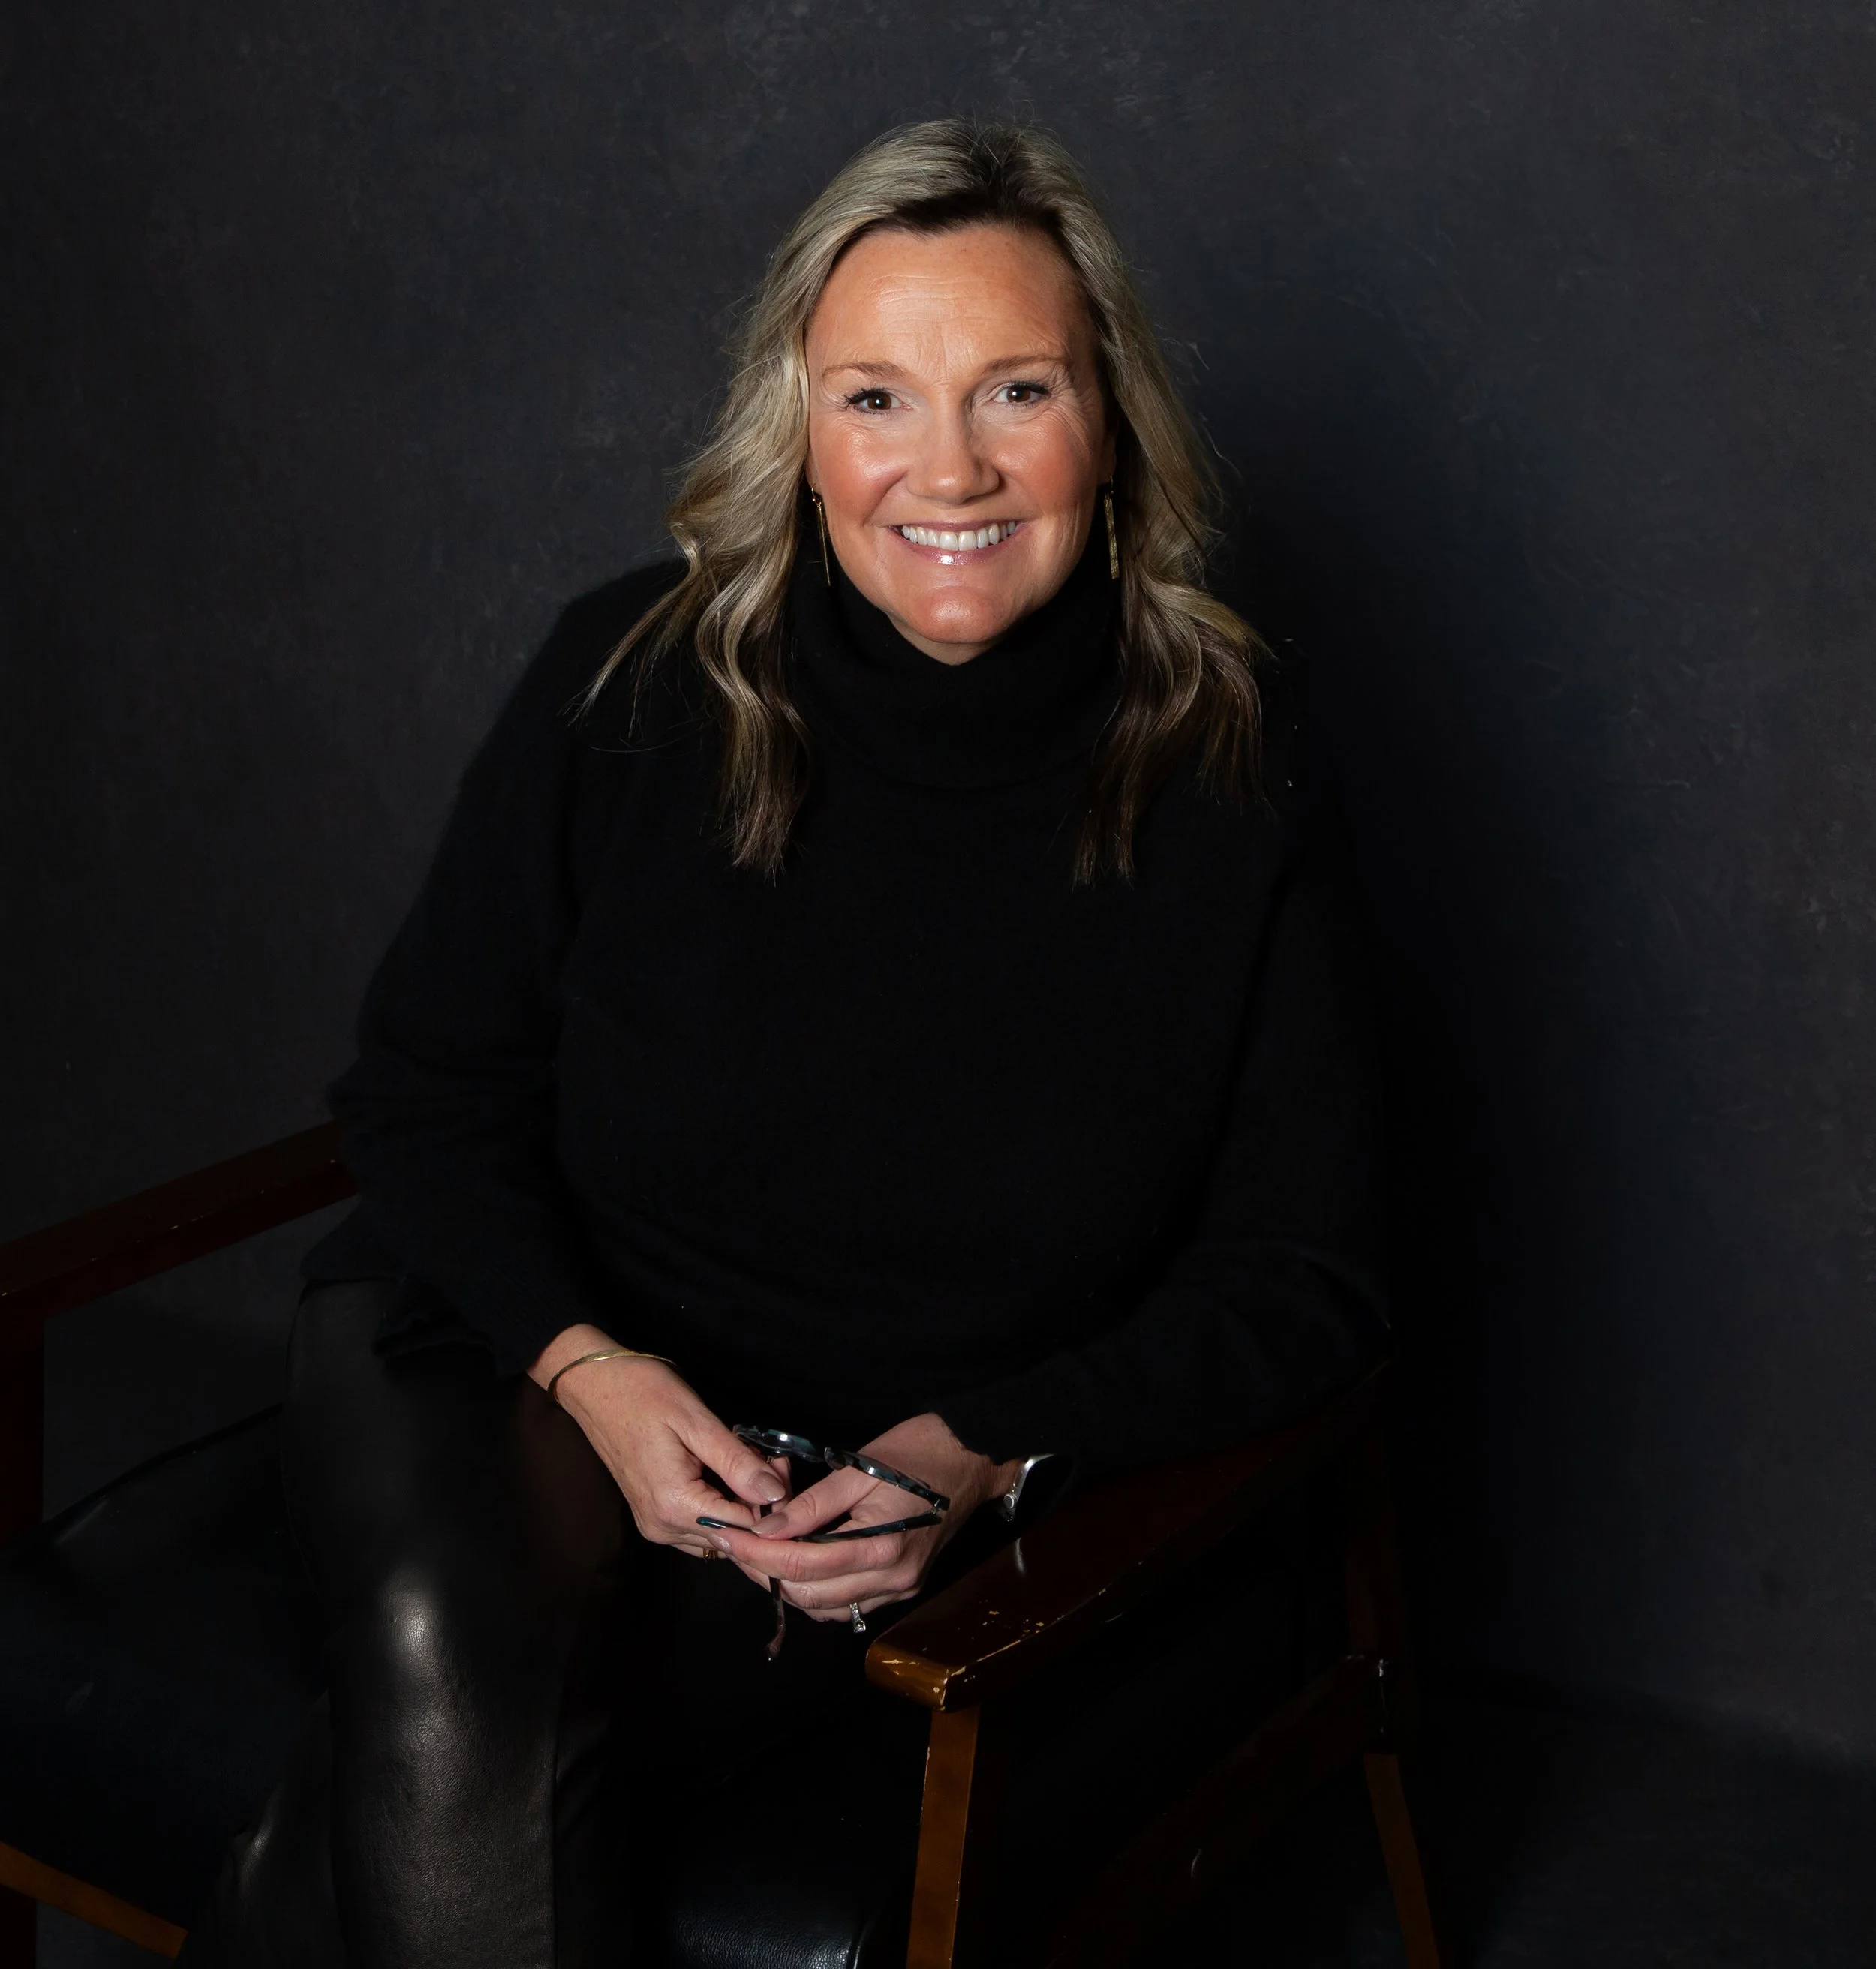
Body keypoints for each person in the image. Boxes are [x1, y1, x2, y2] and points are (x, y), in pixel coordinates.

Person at [180, 118, 1387, 1966]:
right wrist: (590, 1372)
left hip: (852, 1475)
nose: (949, 468)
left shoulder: (1231, 763)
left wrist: (976, 1445)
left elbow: (1307, 1268)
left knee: (380, 1816)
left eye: (1016, 390)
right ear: (800, 432)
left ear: (1110, 420)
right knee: (454, 1656)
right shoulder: (634, 681)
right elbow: (424, 1096)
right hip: (503, 1352)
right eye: (877, 399)